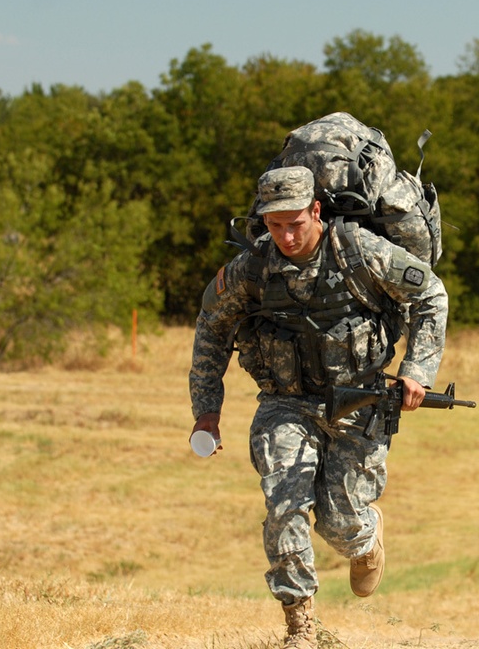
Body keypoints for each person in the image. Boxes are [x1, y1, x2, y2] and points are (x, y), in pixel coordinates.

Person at [188, 166, 449, 648]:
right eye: (274, 225)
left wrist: (418, 368)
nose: (286, 235)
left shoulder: (360, 252)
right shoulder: (254, 269)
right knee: (283, 504)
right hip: (285, 404)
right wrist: (207, 409)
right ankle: (300, 629)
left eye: (296, 223)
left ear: (315, 211)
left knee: (339, 522)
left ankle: (364, 540)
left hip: (360, 402)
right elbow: (211, 327)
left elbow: (430, 293)